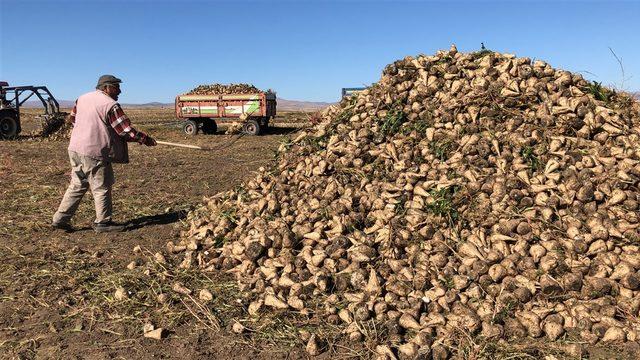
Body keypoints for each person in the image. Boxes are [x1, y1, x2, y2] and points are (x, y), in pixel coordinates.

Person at [52, 75, 156, 233]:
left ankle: (60, 219)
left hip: (75, 148)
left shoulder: (82, 98)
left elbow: (73, 119)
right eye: (116, 87)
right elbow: (125, 131)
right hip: (94, 151)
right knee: (101, 186)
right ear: (106, 88)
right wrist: (144, 139)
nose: (119, 91)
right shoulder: (110, 105)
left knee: (77, 184)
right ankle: (103, 223)